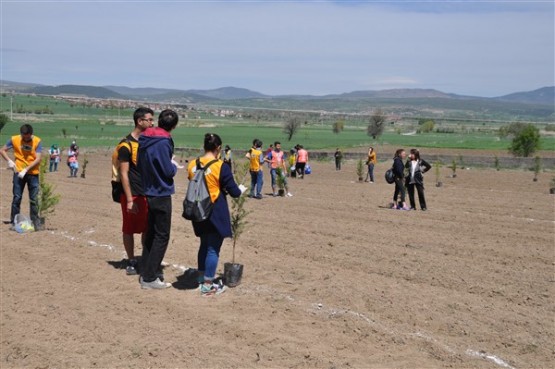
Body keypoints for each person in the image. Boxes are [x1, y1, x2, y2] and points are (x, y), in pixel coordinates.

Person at [187, 133, 245, 296]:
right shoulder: (221, 166)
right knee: (213, 248)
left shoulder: (192, 164)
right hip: (214, 210)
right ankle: (207, 285)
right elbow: (234, 192)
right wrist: (239, 189)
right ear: (218, 148)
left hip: (198, 209)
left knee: (204, 244)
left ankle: (201, 277)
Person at [137, 109, 181, 289]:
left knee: (152, 233)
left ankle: (146, 268)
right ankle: (149, 277)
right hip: (161, 192)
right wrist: (174, 166)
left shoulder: (144, 138)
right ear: (174, 125)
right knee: (162, 235)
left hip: (148, 189)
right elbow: (167, 170)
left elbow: (140, 164)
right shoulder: (164, 141)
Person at [114, 107, 154, 275]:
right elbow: (123, 173)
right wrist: (130, 199)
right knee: (129, 228)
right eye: (150, 120)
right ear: (140, 121)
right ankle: (131, 260)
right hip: (132, 193)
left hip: (147, 193)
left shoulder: (148, 142)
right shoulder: (126, 145)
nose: (152, 123)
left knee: (147, 228)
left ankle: (144, 258)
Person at [0, 124, 43, 229]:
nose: (26, 139)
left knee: (33, 198)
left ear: (31, 134)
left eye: (28, 137)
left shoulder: (37, 141)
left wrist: (26, 169)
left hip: (33, 173)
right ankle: (14, 221)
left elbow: (38, 159)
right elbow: (2, 150)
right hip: (18, 173)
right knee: (17, 197)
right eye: (24, 137)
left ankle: (35, 221)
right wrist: (9, 161)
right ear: (21, 134)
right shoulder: (14, 139)